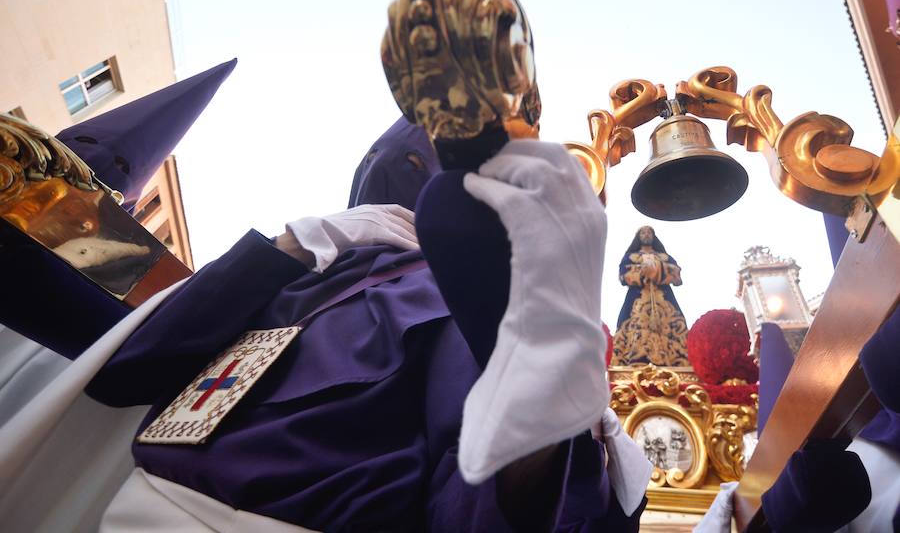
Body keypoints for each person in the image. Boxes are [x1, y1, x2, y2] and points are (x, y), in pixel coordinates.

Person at [2, 116, 650, 531]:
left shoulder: (453, 291)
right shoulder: (307, 268)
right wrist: (284, 249)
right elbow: (131, 369)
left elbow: (474, 506)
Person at [612, 225, 690, 366]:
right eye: (643, 232)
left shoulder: (664, 257)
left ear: (653, 236)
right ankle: (635, 360)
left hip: (664, 298)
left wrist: (655, 270)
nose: (646, 234)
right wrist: (647, 272)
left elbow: (677, 275)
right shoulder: (631, 257)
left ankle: (676, 362)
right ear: (639, 237)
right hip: (637, 298)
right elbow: (624, 275)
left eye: (649, 232)